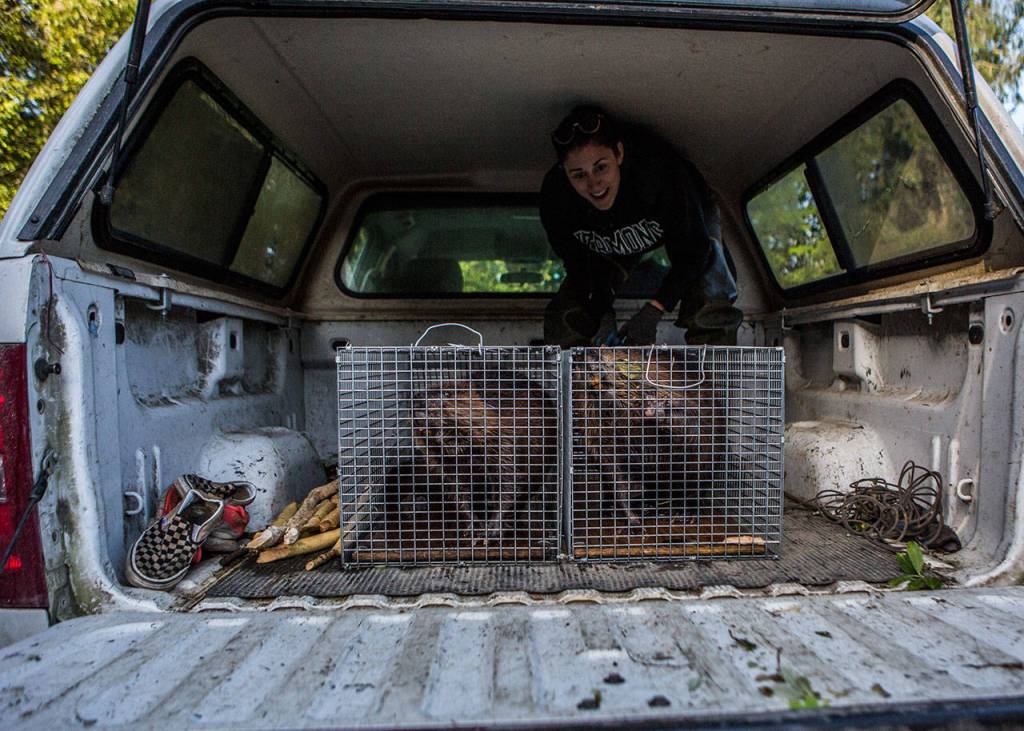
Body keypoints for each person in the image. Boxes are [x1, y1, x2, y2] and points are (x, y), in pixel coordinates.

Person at [540, 105, 742, 347]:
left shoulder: (659, 171)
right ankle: (576, 378)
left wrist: (654, 310)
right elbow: (579, 266)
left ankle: (714, 379)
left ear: (619, 154)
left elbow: (694, 251)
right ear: (564, 172)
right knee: (568, 308)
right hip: (607, 245)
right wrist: (602, 311)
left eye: (601, 167)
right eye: (579, 175)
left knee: (711, 288)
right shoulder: (556, 201)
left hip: (685, 222)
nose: (594, 185)